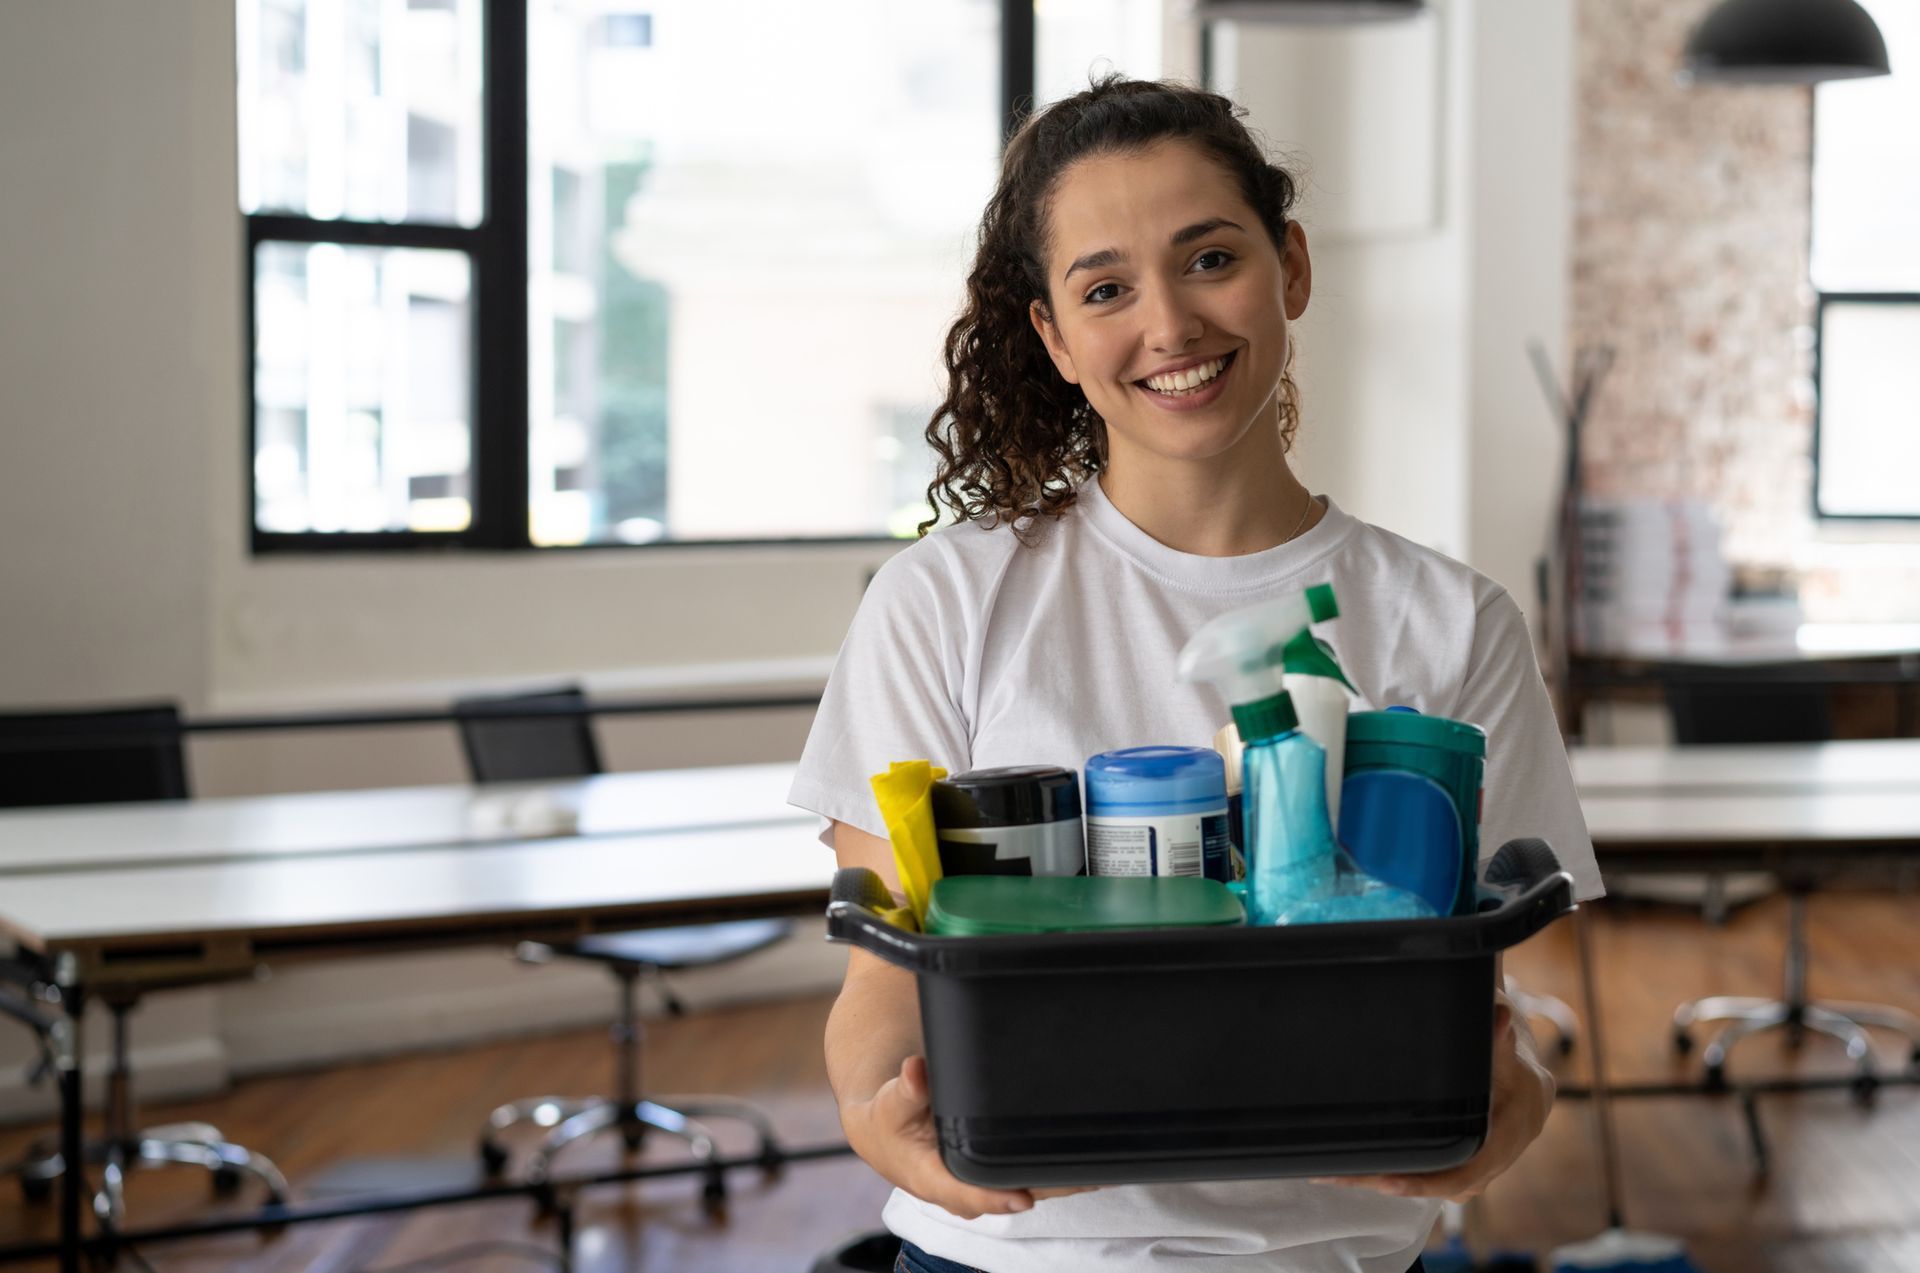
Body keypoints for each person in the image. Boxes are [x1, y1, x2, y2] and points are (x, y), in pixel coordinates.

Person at [788, 75, 1603, 1273]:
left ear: (1293, 269)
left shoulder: (1451, 619)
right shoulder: (949, 599)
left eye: (1209, 258)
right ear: (1055, 340)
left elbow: (1492, 990)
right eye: (1106, 287)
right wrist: (878, 1113)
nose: (1168, 325)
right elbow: (884, 983)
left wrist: (1519, 1091)